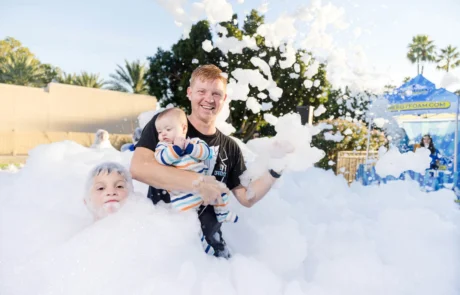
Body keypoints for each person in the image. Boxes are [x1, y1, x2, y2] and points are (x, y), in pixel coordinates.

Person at [131, 64, 290, 258]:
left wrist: (275, 168)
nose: (209, 99)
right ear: (189, 93)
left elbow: (246, 198)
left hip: (211, 255)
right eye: (201, 91)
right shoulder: (167, 124)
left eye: (216, 93)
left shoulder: (230, 147)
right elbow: (139, 167)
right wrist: (198, 184)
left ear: (224, 99)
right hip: (164, 243)